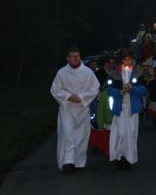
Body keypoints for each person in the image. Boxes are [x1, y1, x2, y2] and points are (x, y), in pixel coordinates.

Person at [51, 46, 100, 175]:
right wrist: (68, 97)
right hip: (67, 108)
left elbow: (95, 88)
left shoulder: (88, 72)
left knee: (81, 135)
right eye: (72, 56)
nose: (75, 59)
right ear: (67, 58)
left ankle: (78, 162)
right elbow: (55, 89)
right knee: (68, 135)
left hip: (82, 107)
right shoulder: (62, 73)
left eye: (77, 56)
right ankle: (67, 162)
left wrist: (82, 97)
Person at [108, 51, 147, 170]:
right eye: (125, 60)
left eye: (130, 60)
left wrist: (133, 88)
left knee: (131, 134)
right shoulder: (115, 73)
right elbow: (109, 90)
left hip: (132, 109)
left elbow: (144, 90)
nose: (128, 62)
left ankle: (129, 158)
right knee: (120, 133)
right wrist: (119, 92)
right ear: (122, 61)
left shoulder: (138, 73)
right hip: (120, 108)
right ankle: (119, 157)